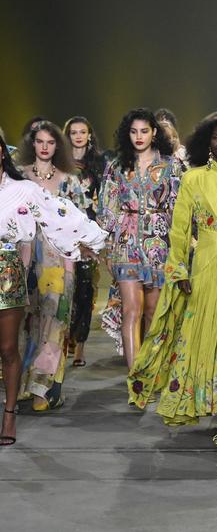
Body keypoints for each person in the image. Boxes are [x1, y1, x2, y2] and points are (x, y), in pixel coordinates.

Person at [128, 116, 217, 446]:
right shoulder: (192, 178)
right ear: (206, 142)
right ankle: (213, 406)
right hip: (204, 265)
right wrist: (177, 270)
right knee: (205, 339)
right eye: (216, 138)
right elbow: (179, 230)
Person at [0, 132, 106, 445]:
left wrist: (89, 240)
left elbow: (57, 215)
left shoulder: (23, 190)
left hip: (7, 272)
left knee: (7, 348)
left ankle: (9, 416)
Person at [98, 109, 183, 368]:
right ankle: (134, 376)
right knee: (131, 310)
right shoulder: (117, 166)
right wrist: (108, 248)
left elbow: (179, 207)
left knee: (152, 313)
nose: (139, 136)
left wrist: (180, 247)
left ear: (154, 133)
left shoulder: (172, 166)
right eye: (134, 131)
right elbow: (108, 208)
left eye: (144, 131)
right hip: (125, 242)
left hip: (158, 243)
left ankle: (149, 369)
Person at [18, 122, 92, 410]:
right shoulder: (20, 180)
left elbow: (77, 223)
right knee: (29, 323)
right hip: (25, 259)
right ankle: (27, 383)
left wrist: (72, 264)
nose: (45, 146)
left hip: (58, 259)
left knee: (55, 323)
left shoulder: (69, 181)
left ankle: (43, 389)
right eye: (40, 141)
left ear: (57, 146)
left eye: (50, 141)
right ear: (32, 144)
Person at [63, 116, 106, 367]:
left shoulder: (99, 164)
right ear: (67, 136)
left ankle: (80, 345)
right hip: (61, 232)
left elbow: (106, 198)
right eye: (74, 132)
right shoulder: (60, 163)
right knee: (65, 288)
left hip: (89, 232)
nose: (78, 136)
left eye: (83, 132)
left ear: (89, 135)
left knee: (86, 288)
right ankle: (65, 335)